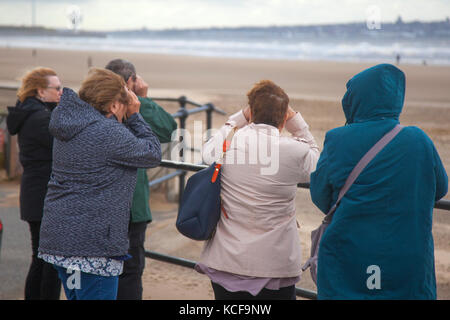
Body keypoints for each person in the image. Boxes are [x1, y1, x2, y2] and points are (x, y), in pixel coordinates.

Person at [309, 63, 448, 300]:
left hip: (349, 257)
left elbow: (320, 195)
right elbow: (440, 188)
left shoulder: (338, 139)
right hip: (406, 261)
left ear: (355, 99)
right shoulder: (418, 139)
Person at [37, 68, 162, 300]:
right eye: (124, 107)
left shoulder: (70, 126)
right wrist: (135, 116)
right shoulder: (108, 133)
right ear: (114, 106)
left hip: (61, 241)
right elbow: (152, 153)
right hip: (93, 248)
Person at [196, 80, 320, 300]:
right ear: (284, 119)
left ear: (251, 113)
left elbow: (207, 152)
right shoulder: (294, 150)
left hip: (228, 259)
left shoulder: (230, 141)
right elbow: (317, 162)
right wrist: (297, 124)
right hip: (276, 262)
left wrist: (239, 118)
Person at [105, 58, 177, 300]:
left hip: (101, 205)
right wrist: (143, 100)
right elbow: (168, 130)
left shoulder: (94, 108)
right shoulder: (131, 110)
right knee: (130, 271)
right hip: (130, 206)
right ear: (130, 82)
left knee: (103, 271)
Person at [6, 67, 62, 300]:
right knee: (47, 261)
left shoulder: (32, 112)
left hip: (36, 193)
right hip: (42, 196)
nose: (61, 92)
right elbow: (62, 148)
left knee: (42, 258)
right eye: (57, 88)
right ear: (40, 91)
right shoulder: (40, 118)